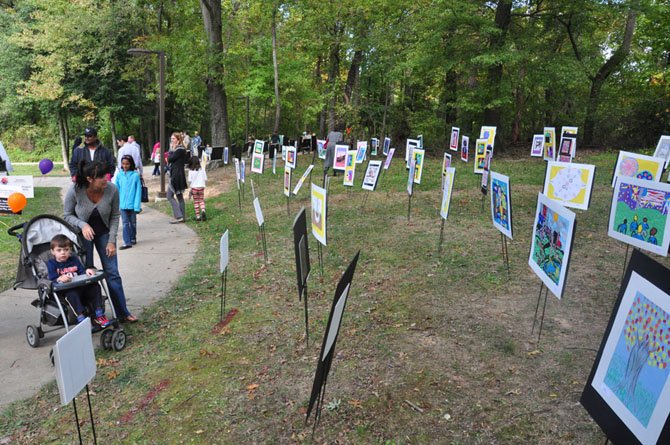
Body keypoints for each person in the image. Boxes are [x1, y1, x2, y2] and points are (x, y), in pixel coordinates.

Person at [63, 160, 137, 322]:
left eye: (107, 175)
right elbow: (67, 215)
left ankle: (122, 312)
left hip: (104, 234)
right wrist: (83, 225)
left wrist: (111, 241)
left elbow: (115, 216)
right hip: (83, 236)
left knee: (112, 273)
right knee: (85, 273)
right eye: (102, 176)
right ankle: (88, 313)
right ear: (90, 179)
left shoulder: (112, 189)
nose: (106, 178)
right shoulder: (76, 190)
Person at [47, 234, 110, 327]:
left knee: (95, 287)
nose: (63, 253)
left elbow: (82, 272)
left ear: (70, 250)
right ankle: (81, 318)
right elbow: (52, 278)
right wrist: (59, 278)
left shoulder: (74, 260)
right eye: (59, 250)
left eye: (66, 250)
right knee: (72, 294)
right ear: (53, 252)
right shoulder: (52, 264)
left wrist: (87, 271)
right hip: (67, 291)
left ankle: (99, 313)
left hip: (81, 287)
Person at [114, 155, 142, 249]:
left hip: (133, 205)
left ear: (131, 164)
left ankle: (133, 238)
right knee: (125, 223)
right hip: (122, 205)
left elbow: (138, 191)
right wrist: (116, 204)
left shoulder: (135, 176)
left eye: (127, 164)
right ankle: (127, 242)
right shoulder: (119, 176)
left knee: (133, 223)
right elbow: (116, 190)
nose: (125, 166)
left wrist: (137, 206)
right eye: (123, 164)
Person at [167, 132, 188, 223]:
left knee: (169, 196)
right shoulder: (179, 149)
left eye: (174, 139)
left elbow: (170, 159)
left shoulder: (180, 150)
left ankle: (179, 216)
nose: (172, 141)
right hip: (177, 174)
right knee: (179, 196)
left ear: (178, 140)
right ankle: (182, 216)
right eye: (171, 139)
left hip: (176, 175)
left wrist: (172, 150)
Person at [187, 156, 207, 221]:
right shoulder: (202, 169)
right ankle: (203, 210)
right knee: (201, 200)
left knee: (196, 201)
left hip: (194, 188)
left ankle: (198, 216)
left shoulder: (191, 171)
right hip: (201, 187)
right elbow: (205, 178)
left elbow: (189, 180)